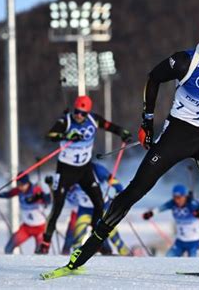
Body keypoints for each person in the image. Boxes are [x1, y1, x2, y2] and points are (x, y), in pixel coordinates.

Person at [58, 18, 199, 274]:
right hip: (178, 134)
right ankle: (85, 251)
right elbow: (154, 78)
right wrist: (147, 121)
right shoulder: (186, 61)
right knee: (135, 190)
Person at [36, 95, 132, 254]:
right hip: (65, 170)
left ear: (88, 113)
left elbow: (109, 125)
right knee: (57, 207)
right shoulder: (65, 120)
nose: (79, 115)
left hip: (84, 170)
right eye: (77, 112)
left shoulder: (93, 119)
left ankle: (96, 241)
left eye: (83, 113)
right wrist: (66, 136)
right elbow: (50, 136)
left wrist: (122, 132)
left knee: (100, 204)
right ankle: (45, 243)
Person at [63, 163, 130, 255]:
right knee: (79, 233)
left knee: (111, 231)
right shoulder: (70, 174)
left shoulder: (96, 169)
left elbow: (113, 181)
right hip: (85, 208)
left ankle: (125, 253)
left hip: (102, 206)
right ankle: (76, 256)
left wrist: (119, 192)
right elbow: (67, 192)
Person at [0, 173, 50, 254]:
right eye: (18, 185)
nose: (20, 187)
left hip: (40, 228)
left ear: (27, 183)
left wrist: (39, 197)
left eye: (22, 185)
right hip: (26, 227)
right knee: (8, 248)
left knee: (40, 253)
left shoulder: (36, 190)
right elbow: (7, 194)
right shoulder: (19, 191)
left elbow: (49, 200)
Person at [143, 184, 199, 257]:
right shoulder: (172, 203)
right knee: (168, 258)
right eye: (174, 197)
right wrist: (150, 213)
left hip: (193, 242)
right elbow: (161, 208)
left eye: (179, 197)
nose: (177, 200)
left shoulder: (192, 203)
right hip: (180, 241)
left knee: (193, 263)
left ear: (184, 196)